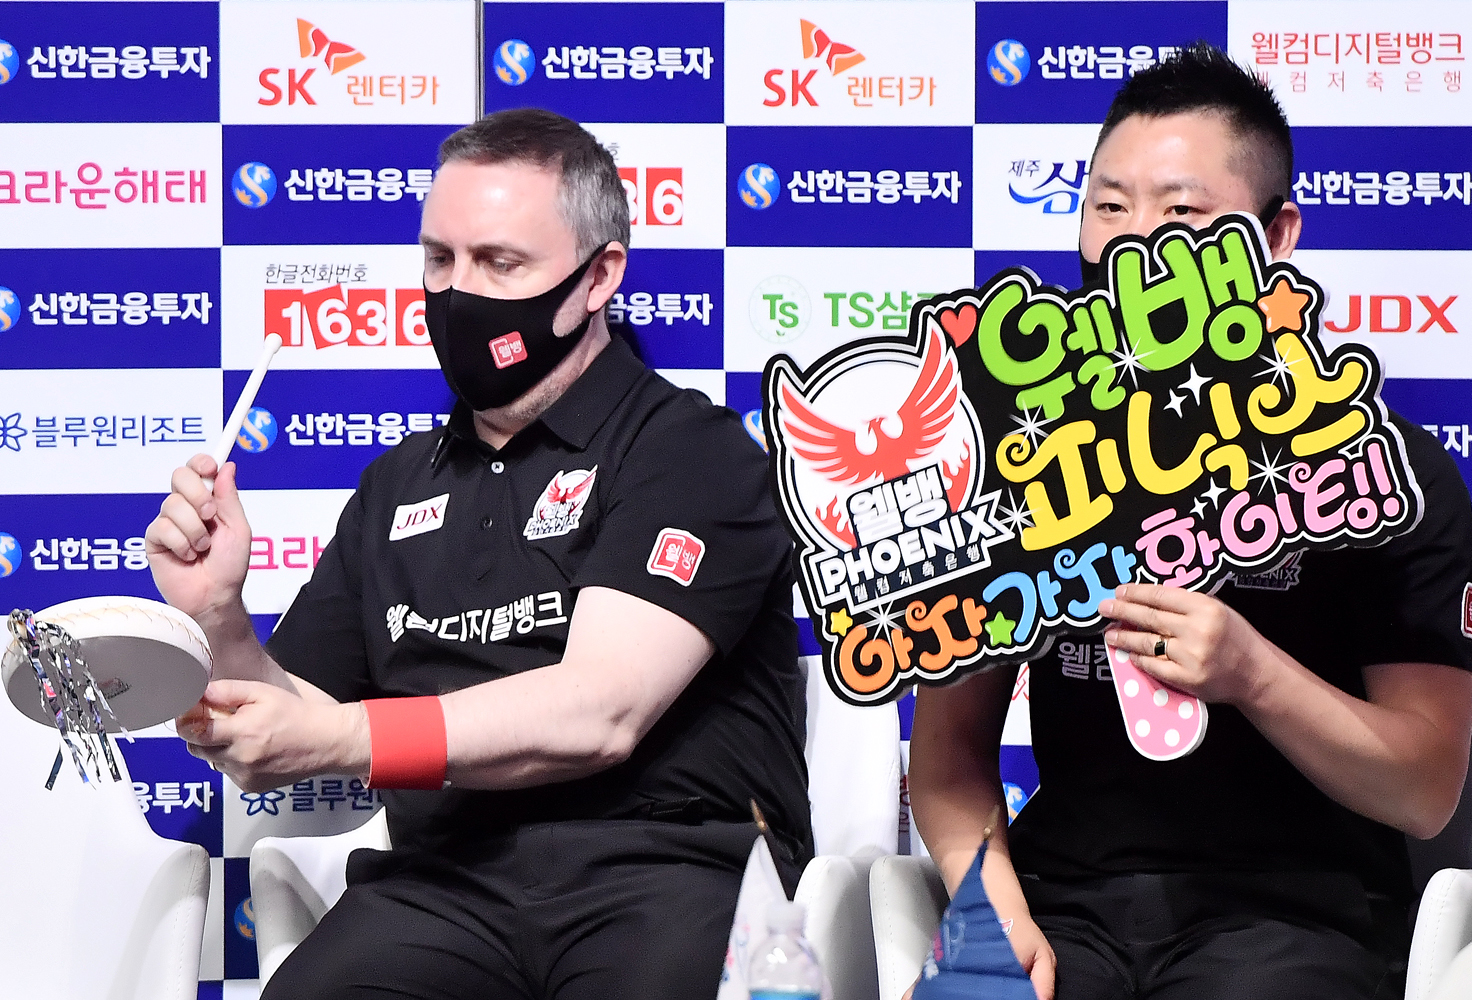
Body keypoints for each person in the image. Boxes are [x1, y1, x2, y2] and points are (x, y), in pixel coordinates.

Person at [145, 107, 812, 1000]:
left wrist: (348, 736)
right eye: (439, 259)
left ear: (598, 276)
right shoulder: (396, 485)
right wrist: (219, 615)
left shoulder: (688, 449)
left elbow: (600, 712)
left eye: (500, 263)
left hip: (667, 871)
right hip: (444, 883)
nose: (457, 295)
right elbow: (283, 721)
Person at [910, 44, 1472, 1000]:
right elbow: (949, 758)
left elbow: (1424, 792)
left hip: (1294, 926)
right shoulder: (1012, 459)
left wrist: (1253, 674)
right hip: (1062, 909)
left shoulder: (1385, 471)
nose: (1131, 248)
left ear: (1276, 233)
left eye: (1181, 216)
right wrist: (993, 916)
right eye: (1107, 207)